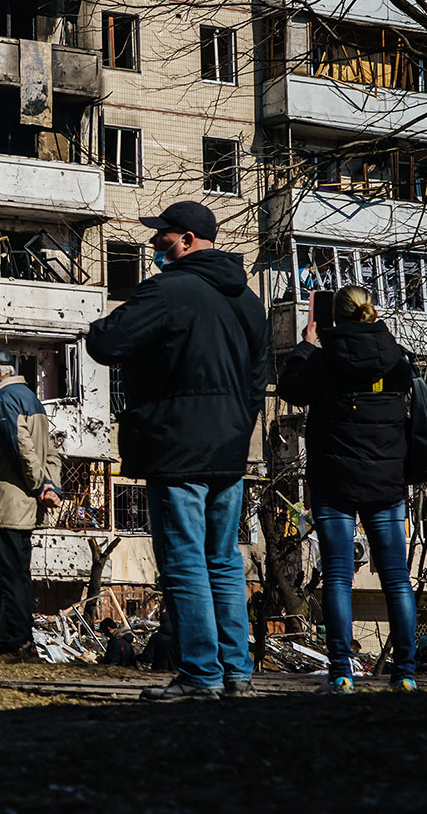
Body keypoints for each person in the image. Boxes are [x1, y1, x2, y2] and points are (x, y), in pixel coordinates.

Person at [86, 201, 267, 702]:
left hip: (177, 444)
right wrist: (235, 427)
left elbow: (105, 341)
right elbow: (257, 382)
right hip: (230, 449)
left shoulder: (169, 290)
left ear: (186, 239)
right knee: (224, 561)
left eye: (161, 236)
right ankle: (237, 674)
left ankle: (200, 675)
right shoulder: (249, 302)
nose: (153, 245)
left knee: (185, 560)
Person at [277, 285, 417, 694]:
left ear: (334, 317)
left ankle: (341, 672)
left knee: (338, 577)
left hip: (334, 480)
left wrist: (306, 345)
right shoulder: (395, 357)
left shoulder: (325, 358)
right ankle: (405, 674)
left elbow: (291, 390)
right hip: (387, 482)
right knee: (396, 579)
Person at [0, 347, 62, 664]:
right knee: (17, 575)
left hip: (2, 505)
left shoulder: (2, 401)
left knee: (1, 578)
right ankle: (21, 643)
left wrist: (39, 484)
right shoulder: (31, 400)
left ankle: (12, 645)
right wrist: (51, 486)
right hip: (22, 508)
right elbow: (51, 453)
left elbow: (21, 448)